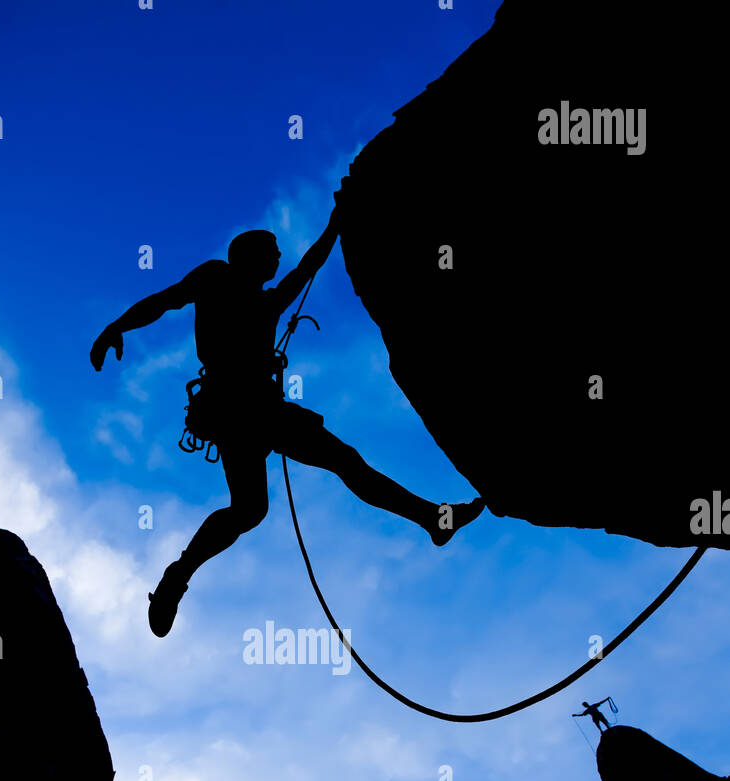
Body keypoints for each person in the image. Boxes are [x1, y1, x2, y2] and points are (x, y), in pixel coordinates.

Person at [91, 206, 485, 636]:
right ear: (250, 255)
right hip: (242, 409)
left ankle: (432, 519)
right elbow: (164, 301)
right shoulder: (217, 278)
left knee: (272, 498)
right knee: (279, 495)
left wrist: (336, 224)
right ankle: (178, 575)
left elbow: (307, 266)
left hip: (249, 411)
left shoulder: (267, 301)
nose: (278, 257)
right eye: (272, 251)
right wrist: (119, 325)